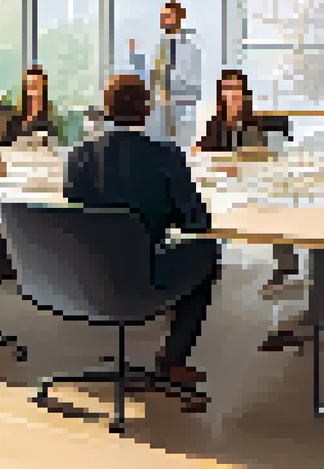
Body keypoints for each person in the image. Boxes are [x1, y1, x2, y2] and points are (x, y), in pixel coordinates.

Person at [64, 73, 219, 400]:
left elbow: (75, 208)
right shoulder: (164, 155)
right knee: (206, 250)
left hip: (83, 276)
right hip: (143, 278)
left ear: (105, 110)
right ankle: (172, 358)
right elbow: (197, 223)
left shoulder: (79, 156)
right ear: (146, 109)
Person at [129, 0, 202, 149]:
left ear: (179, 18)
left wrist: (169, 93)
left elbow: (191, 83)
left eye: (168, 16)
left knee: (179, 151)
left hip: (180, 110)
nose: (165, 20)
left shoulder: (190, 47)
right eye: (163, 16)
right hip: (160, 111)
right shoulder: (161, 45)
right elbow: (156, 75)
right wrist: (137, 60)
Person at [193, 69, 266, 153]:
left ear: (244, 94)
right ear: (222, 94)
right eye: (229, 88)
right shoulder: (216, 124)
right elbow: (204, 146)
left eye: (237, 88)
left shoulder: (254, 124)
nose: (233, 93)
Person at [0, 65, 59, 147]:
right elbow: (3, 147)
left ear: (43, 90)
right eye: (28, 87)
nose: (30, 92)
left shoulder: (50, 124)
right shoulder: (14, 122)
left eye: (34, 87)